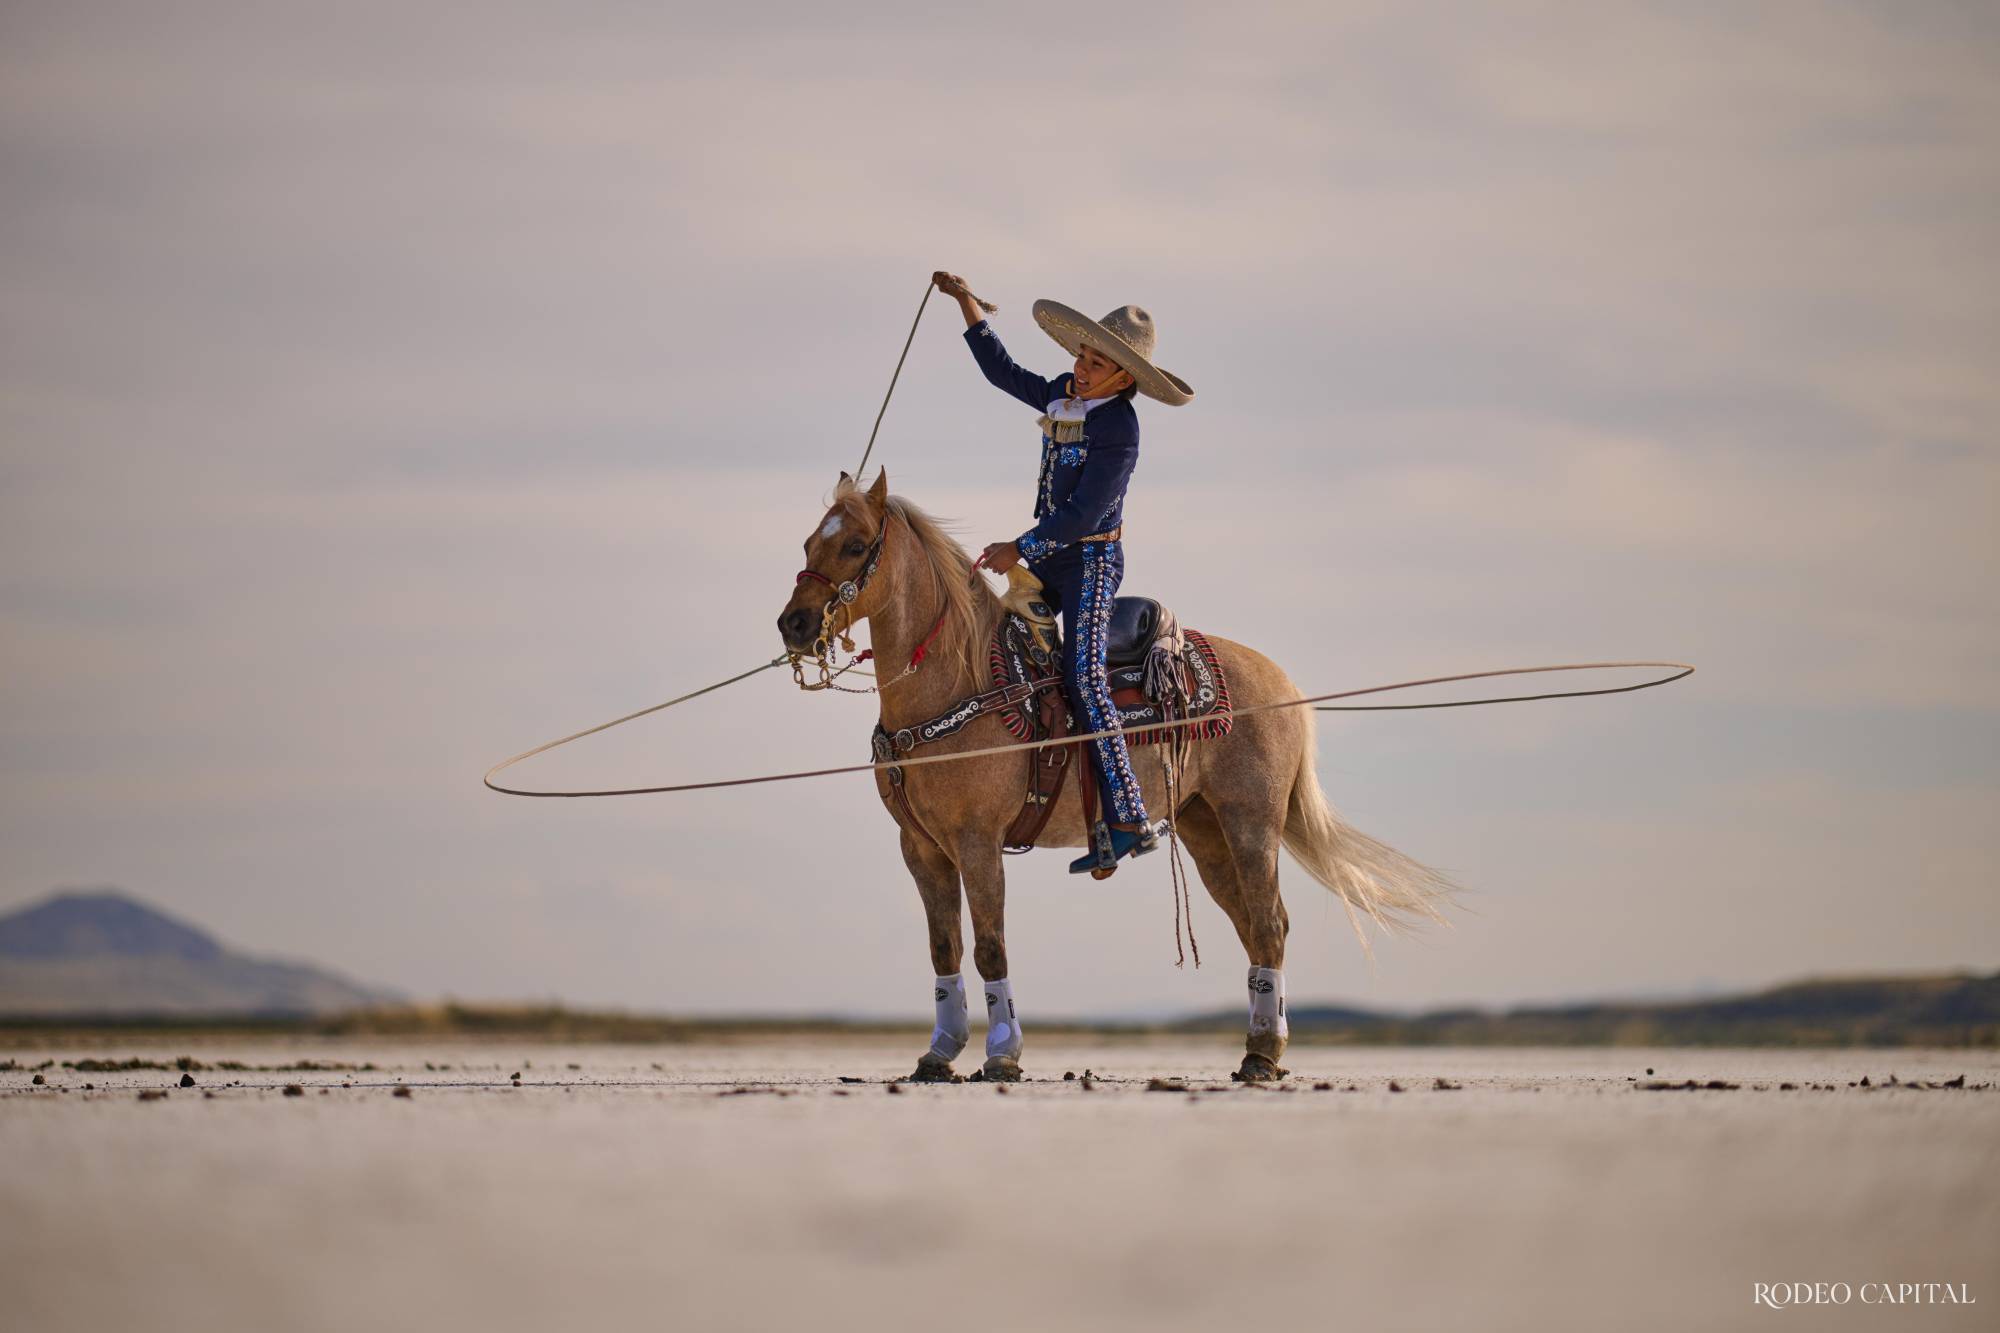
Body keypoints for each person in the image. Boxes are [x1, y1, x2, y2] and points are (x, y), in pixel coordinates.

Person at [933, 270, 1196, 874]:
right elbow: (1004, 374)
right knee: (1001, 658)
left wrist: (1019, 547)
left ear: (1124, 377)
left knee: (1083, 676)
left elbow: (1085, 513)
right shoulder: (1063, 397)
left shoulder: (1119, 428)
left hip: (1091, 565)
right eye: (1082, 353)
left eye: (1096, 362)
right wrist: (969, 308)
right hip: (1049, 560)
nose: (1082, 367)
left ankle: (1128, 817)